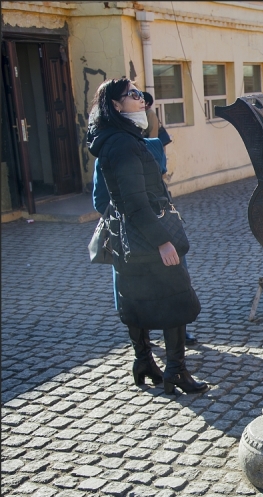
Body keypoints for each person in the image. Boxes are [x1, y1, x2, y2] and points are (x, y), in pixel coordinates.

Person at [87, 77, 208, 394]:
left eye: (140, 93)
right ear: (115, 105)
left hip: (128, 240)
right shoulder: (123, 144)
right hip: (146, 238)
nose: (141, 98)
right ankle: (176, 371)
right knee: (176, 302)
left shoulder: (116, 138)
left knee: (137, 300)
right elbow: (135, 203)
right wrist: (163, 241)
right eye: (133, 94)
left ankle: (144, 362)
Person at [92, 138, 199, 347]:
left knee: (173, 285)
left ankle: (163, 342)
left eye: (144, 102)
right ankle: (146, 346)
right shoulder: (112, 150)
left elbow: (160, 190)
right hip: (138, 234)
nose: (141, 103)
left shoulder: (152, 146)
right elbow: (101, 199)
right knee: (137, 288)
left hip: (157, 231)